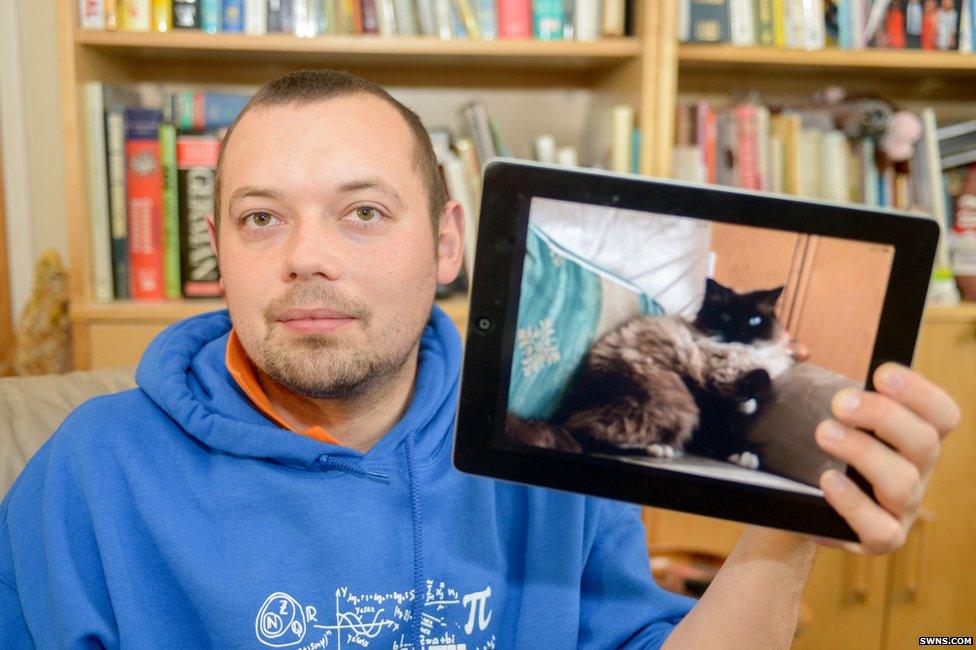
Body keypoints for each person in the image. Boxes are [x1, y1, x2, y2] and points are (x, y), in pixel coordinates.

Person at [0, 70, 960, 648]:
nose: (306, 256)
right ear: (221, 250)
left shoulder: (545, 461)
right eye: (262, 218)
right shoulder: (90, 475)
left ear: (448, 244)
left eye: (363, 211)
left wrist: (785, 528)